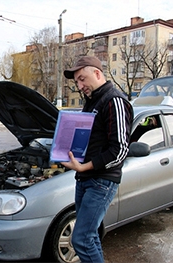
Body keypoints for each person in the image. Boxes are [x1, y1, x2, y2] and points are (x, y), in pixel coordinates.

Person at [61, 56, 133, 262]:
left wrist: (85, 167)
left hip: (101, 181)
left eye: (82, 79)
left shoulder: (114, 100)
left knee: (81, 239)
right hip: (85, 179)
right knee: (89, 237)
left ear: (98, 73)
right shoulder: (92, 102)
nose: (80, 85)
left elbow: (120, 150)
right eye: (76, 82)